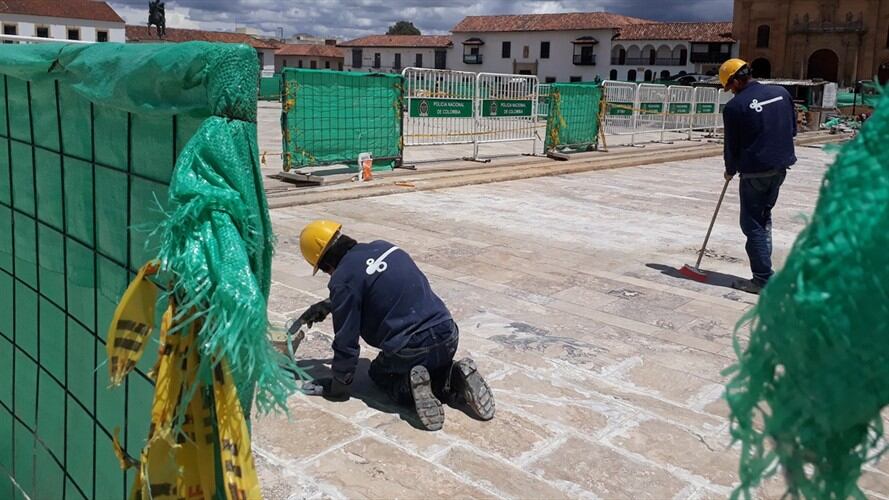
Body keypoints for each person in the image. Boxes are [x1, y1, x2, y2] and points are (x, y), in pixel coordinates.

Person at [296, 220, 495, 431]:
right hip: (447, 333)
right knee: (432, 361)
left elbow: (346, 342)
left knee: (378, 373)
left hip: (411, 348)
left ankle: (411, 389)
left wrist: (337, 385)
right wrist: (330, 304)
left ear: (325, 265)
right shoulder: (385, 247)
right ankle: (452, 376)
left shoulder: (342, 279)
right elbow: (377, 284)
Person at [719, 58, 797, 294]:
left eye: (730, 86)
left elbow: (731, 146)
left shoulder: (734, 107)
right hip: (781, 167)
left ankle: (762, 278)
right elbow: (793, 128)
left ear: (735, 81)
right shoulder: (781, 93)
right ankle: (765, 272)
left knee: (752, 223)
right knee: (763, 218)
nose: (730, 91)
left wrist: (730, 169)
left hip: (755, 171)